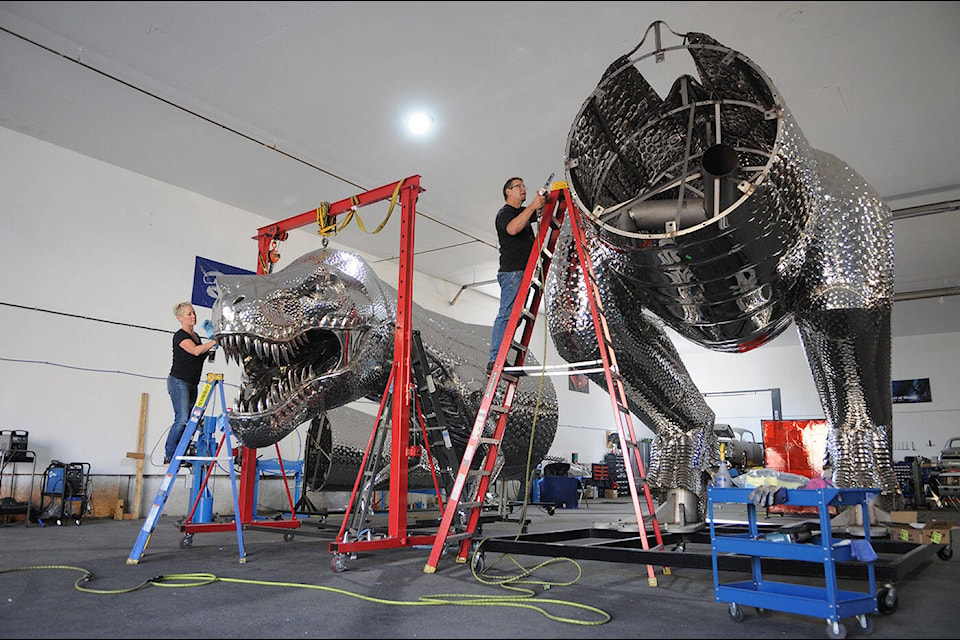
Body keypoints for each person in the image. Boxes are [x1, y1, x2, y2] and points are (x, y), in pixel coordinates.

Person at [487, 177, 547, 374]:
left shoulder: (522, 212)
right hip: (512, 272)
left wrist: (541, 203)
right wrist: (532, 206)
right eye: (518, 186)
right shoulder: (504, 213)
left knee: (515, 316)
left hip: (522, 272)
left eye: (524, 186)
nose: (523, 189)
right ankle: (495, 360)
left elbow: (538, 214)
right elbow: (513, 228)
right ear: (508, 191)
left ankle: (501, 358)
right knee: (506, 315)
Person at [163, 302, 218, 465]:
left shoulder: (196, 337)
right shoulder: (180, 336)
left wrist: (212, 346)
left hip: (192, 383)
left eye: (194, 313)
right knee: (182, 419)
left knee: (192, 420)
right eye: (189, 314)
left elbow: (203, 354)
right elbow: (195, 351)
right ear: (180, 318)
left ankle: (181, 451)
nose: (193, 316)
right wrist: (214, 341)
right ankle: (170, 455)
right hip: (179, 382)